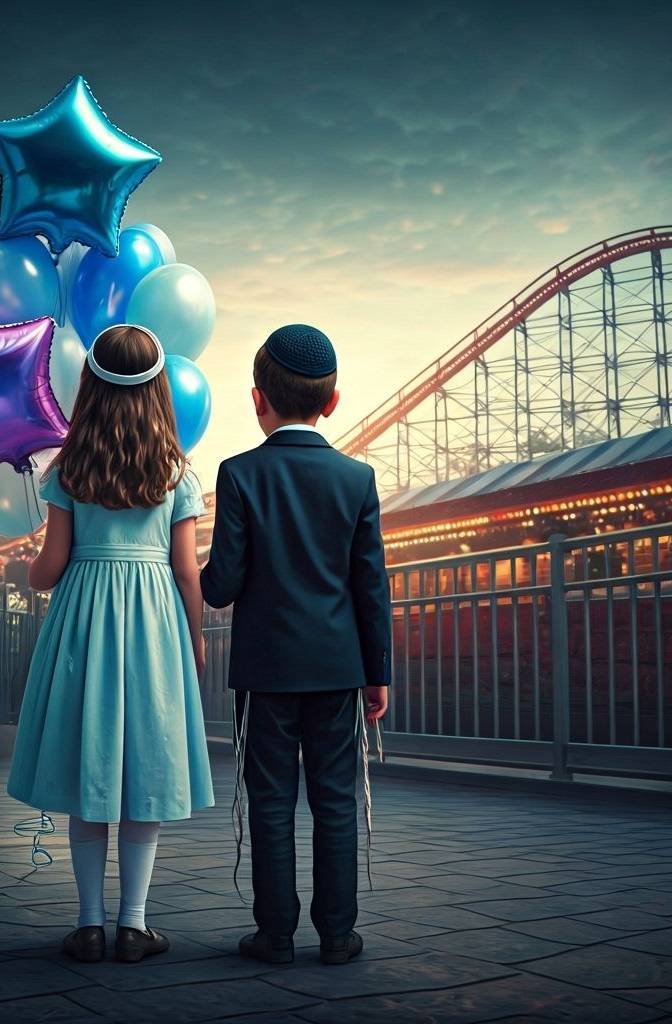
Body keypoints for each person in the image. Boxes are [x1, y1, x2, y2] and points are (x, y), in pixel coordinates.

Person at [7, 324, 215, 965]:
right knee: (145, 764)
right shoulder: (176, 473)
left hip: (86, 619)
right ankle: (135, 924)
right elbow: (186, 571)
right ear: (158, 391)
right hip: (152, 620)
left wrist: (26, 569)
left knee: (89, 763)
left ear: (91, 389)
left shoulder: (69, 470)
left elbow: (50, 569)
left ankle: (89, 924)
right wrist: (197, 636)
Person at [200, 323, 391, 966]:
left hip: (265, 672)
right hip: (339, 669)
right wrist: (378, 674)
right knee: (336, 803)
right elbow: (371, 588)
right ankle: (338, 935)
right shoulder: (356, 479)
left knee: (271, 803)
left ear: (258, 399)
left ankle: (274, 934)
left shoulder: (238, 473)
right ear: (332, 402)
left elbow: (221, 586)